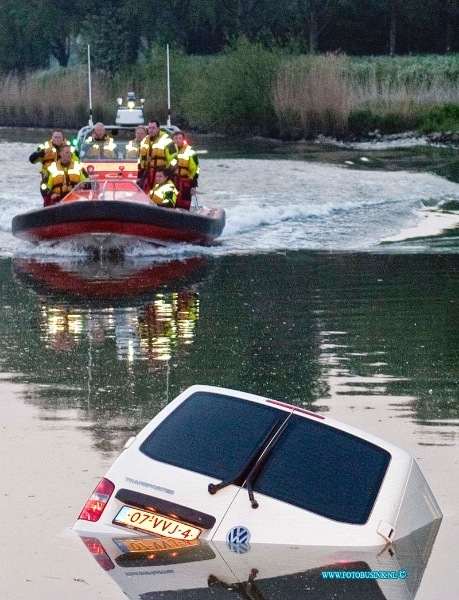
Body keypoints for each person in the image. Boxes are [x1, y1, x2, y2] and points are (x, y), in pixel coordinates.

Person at [137, 120, 177, 193]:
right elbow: (140, 160)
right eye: (149, 128)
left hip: (161, 175)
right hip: (147, 174)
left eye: (153, 128)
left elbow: (175, 160)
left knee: (159, 195)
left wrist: (167, 173)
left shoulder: (167, 141)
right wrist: (139, 175)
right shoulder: (144, 141)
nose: (151, 130)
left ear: (158, 129)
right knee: (144, 194)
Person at [170, 130, 200, 210]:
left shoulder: (190, 152)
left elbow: (195, 170)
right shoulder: (168, 151)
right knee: (170, 203)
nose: (178, 140)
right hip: (172, 182)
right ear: (172, 140)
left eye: (180, 138)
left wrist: (193, 185)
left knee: (184, 204)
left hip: (185, 183)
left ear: (183, 139)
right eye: (176, 138)